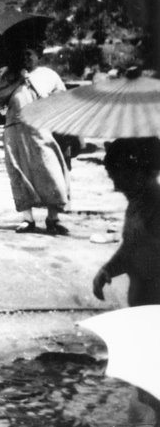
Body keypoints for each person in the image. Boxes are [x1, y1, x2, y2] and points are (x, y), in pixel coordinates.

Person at [92, 137, 160, 426]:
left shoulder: (157, 206)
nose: (115, 187)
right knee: (146, 390)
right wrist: (109, 269)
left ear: (140, 171)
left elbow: (145, 254)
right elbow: (131, 247)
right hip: (144, 308)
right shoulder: (137, 205)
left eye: (117, 177)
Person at [0, 48, 71, 235]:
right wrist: (18, 80)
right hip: (15, 128)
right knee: (18, 172)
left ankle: (53, 219)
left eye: (29, 53)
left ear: (38, 56)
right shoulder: (9, 75)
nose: (25, 57)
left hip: (41, 127)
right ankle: (27, 219)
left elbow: (62, 100)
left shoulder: (49, 75)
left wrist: (33, 84)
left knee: (51, 171)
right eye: (23, 54)